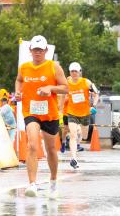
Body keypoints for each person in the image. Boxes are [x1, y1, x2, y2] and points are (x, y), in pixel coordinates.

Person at [15, 35, 68, 198]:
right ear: (30, 50)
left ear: (46, 50)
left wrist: (50, 88)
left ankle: (53, 182)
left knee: (51, 150)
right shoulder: (24, 67)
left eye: (40, 49)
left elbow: (65, 88)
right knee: (32, 144)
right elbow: (19, 80)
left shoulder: (54, 67)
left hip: (49, 113)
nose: (37, 52)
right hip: (31, 111)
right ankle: (32, 184)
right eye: (35, 49)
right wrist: (18, 92)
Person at [60, 62, 99, 170]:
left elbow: (96, 94)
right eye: (72, 71)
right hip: (72, 112)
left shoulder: (86, 82)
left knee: (84, 135)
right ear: (70, 72)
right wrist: (59, 109)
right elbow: (63, 96)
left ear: (80, 72)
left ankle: (79, 142)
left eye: (76, 71)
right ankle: (73, 158)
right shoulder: (67, 83)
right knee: (73, 134)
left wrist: (93, 106)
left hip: (85, 113)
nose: (74, 73)